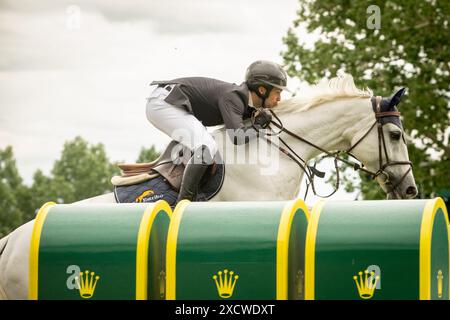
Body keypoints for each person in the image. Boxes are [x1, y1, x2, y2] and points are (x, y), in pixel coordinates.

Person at [146, 60, 288, 203]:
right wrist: (258, 126)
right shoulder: (234, 97)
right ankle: (184, 204)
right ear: (262, 90)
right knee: (207, 146)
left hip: (170, 102)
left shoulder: (243, 101)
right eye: (277, 92)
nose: (279, 99)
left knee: (205, 144)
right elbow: (237, 137)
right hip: (163, 103)